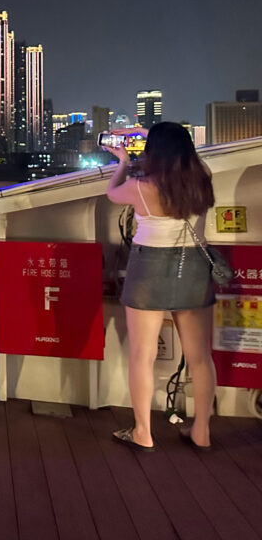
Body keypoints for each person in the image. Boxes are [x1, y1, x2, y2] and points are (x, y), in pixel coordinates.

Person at [104, 122, 217, 452]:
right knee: (199, 357)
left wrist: (123, 160)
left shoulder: (140, 186)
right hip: (193, 266)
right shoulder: (202, 176)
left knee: (143, 355)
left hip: (149, 268)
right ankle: (202, 431)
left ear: (154, 151)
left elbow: (112, 193)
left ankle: (143, 432)